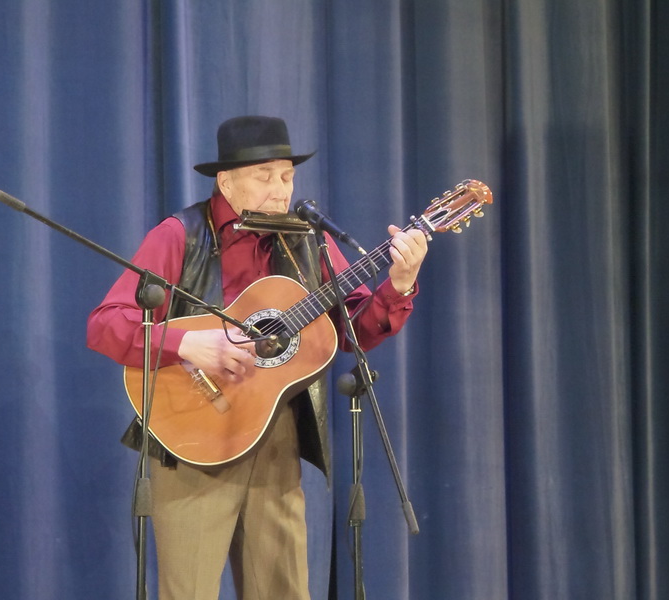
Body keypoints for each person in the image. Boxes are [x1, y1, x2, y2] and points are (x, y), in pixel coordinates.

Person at [86, 115, 428, 600]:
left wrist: (399, 285)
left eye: (287, 177)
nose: (280, 190)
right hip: (193, 437)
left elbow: (352, 330)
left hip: (276, 435)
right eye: (265, 176)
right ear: (226, 181)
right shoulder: (180, 234)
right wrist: (185, 344)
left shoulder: (307, 239)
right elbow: (106, 324)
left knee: (285, 591)